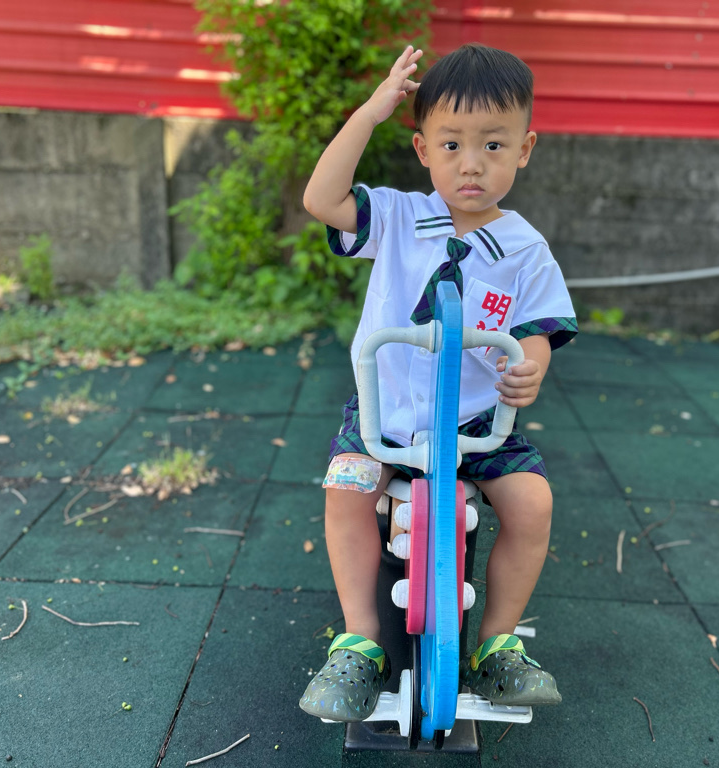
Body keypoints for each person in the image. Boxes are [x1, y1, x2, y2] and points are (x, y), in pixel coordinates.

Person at [299, 42, 577, 722]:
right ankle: (359, 641)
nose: (471, 163)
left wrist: (530, 367)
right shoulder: (396, 218)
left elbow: (537, 328)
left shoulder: (525, 250)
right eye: (451, 144)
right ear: (422, 149)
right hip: (386, 418)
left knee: (533, 503)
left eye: (492, 144)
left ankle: (498, 644)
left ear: (525, 149)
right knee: (345, 491)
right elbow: (321, 199)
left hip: (477, 425)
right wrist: (370, 113)